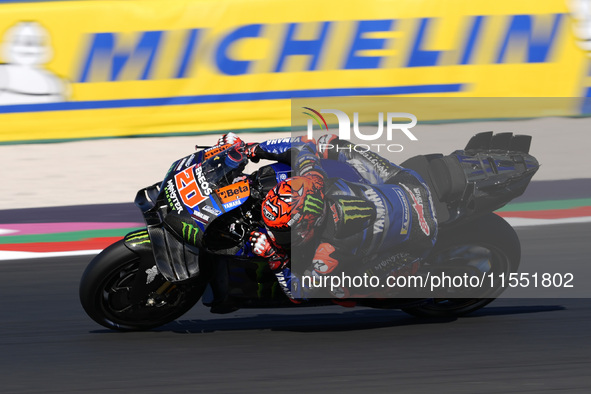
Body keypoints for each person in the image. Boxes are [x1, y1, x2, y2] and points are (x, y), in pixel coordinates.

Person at [217, 132, 438, 302]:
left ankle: (414, 272)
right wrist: (251, 150)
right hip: (408, 184)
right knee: (327, 142)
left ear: (306, 228)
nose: (274, 235)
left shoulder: (327, 252)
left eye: (282, 231)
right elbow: (303, 144)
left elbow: (300, 293)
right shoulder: (314, 180)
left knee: (340, 290)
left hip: (422, 233)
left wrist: (275, 257)